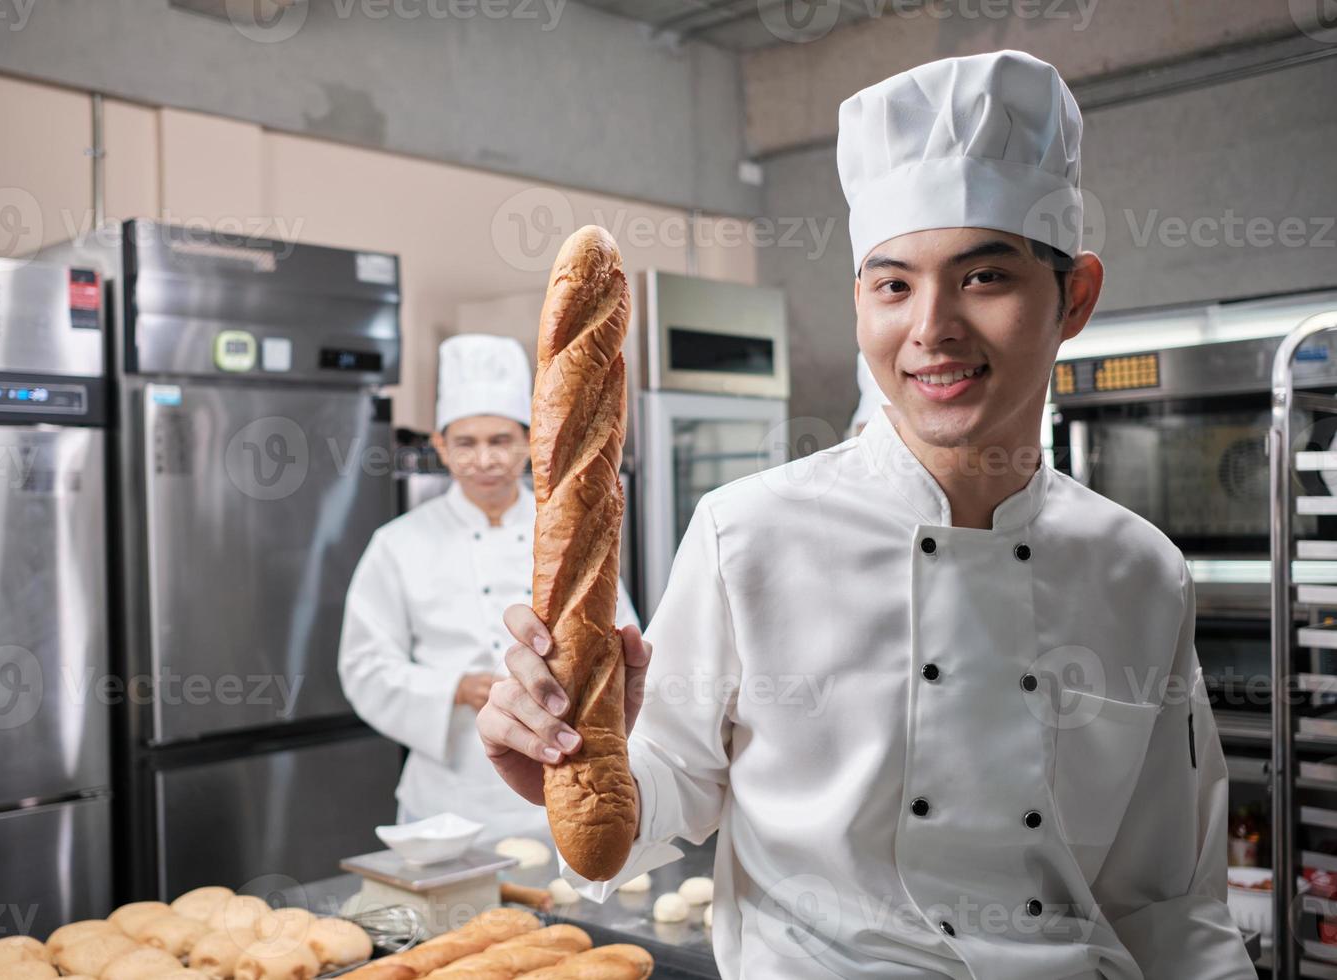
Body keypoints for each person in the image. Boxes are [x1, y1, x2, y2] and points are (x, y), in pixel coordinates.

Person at [478, 51, 1253, 979]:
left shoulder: (1141, 570)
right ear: (859, 307)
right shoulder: (747, 533)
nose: (930, 327)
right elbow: (671, 788)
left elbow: (1169, 902)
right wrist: (558, 764)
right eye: (893, 284)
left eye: (983, 278)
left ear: (1074, 297)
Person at [338, 333, 640, 843]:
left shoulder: (570, 530)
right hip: (447, 800)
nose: (484, 459)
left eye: (499, 441)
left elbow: (617, 640)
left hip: (560, 783)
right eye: (465, 443)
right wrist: (455, 687)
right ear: (440, 446)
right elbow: (364, 666)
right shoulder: (398, 543)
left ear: (529, 441)